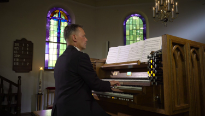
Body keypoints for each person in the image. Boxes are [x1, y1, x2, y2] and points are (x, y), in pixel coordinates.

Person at [51, 24, 120, 116]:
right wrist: (110, 83)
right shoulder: (80, 57)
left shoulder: (60, 59)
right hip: (77, 110)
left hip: (60, 110)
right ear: (74, 37)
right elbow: (95, 84)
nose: (86, 39)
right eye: (83, 36)